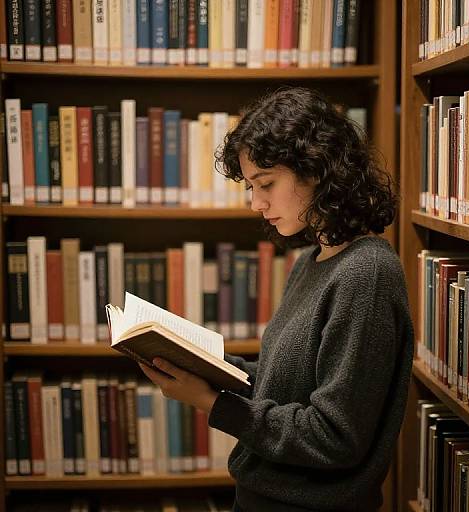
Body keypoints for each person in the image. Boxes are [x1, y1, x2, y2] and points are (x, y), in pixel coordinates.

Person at [140, 87, 414, 512]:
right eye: (251, 187)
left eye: (265, 184)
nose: (256, 203)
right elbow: (284, 386)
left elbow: (334, 437)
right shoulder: (311, 261)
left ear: (319, 170)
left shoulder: (367, 275)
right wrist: (204, 364)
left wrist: (211, 403)